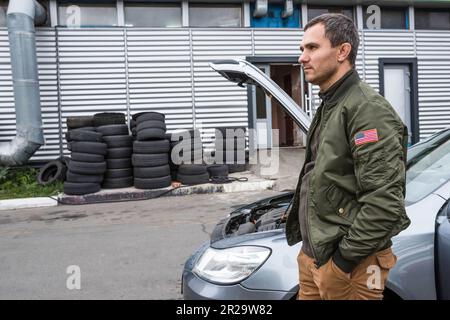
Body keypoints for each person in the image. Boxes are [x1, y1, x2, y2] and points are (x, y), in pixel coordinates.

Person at [285, 13, 411, 300]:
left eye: (312, 48)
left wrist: (341, 263)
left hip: (354, 267)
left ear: (343, 51)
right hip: (314, 257)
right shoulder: (332, 103)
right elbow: (327, 175)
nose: (302, 58)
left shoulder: (367, 110)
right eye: (302, 49)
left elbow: (384, 202)